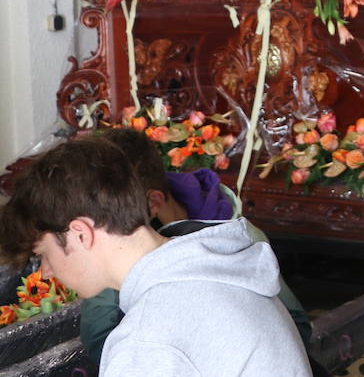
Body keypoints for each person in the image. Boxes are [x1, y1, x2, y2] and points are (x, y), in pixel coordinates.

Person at [0, 137, 311, 377]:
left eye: (44, 254)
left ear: (81, 234)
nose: (48, 272)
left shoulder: (148, 338)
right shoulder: (217, 265)